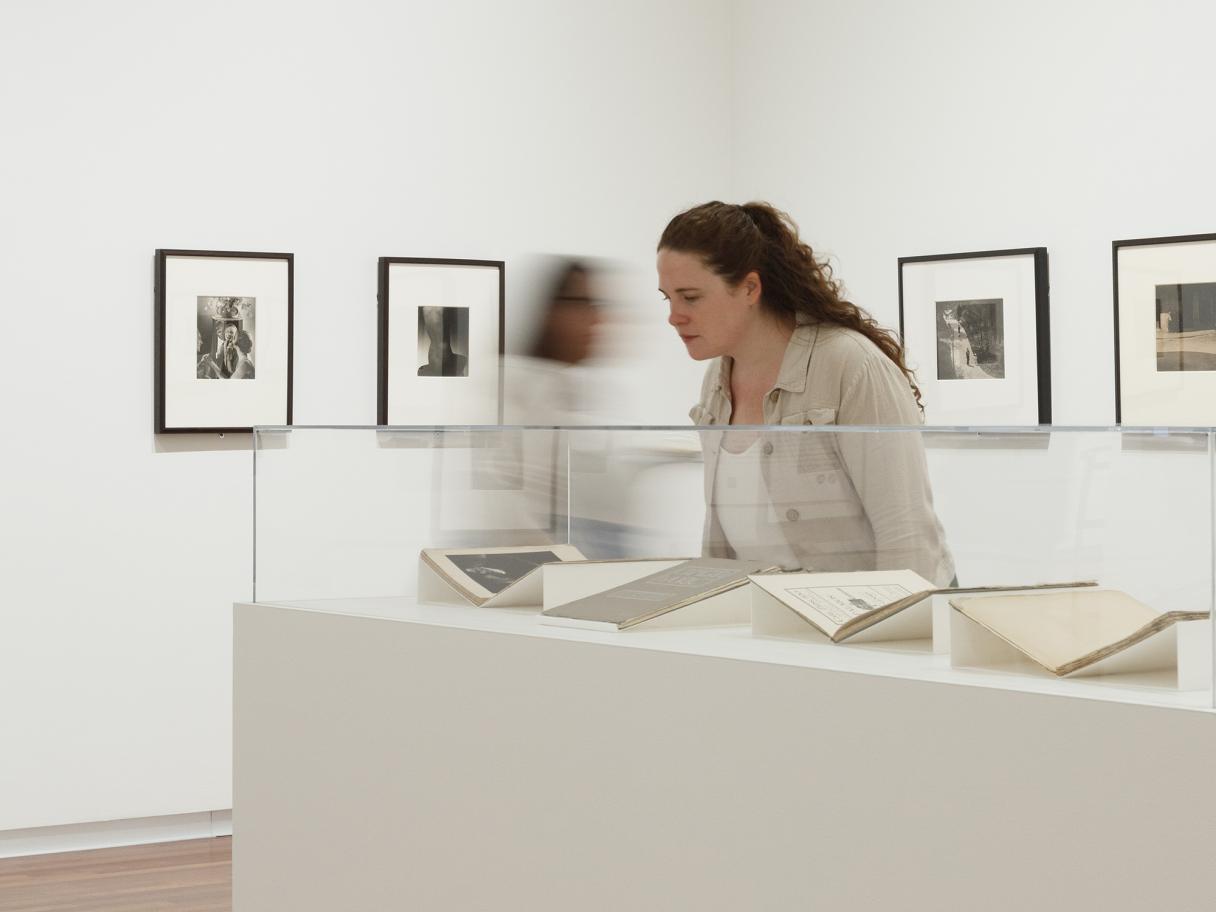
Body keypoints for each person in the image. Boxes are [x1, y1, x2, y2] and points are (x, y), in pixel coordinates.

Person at [657, 200, 955, 584]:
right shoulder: (717, 377)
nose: (673, 315)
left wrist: (894, 638)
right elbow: (721, 537)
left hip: (872, 618)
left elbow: (907, 534)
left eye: (691, 297)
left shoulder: (851, 364)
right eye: (668, 298)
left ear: (749, 288)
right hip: (776, 619)